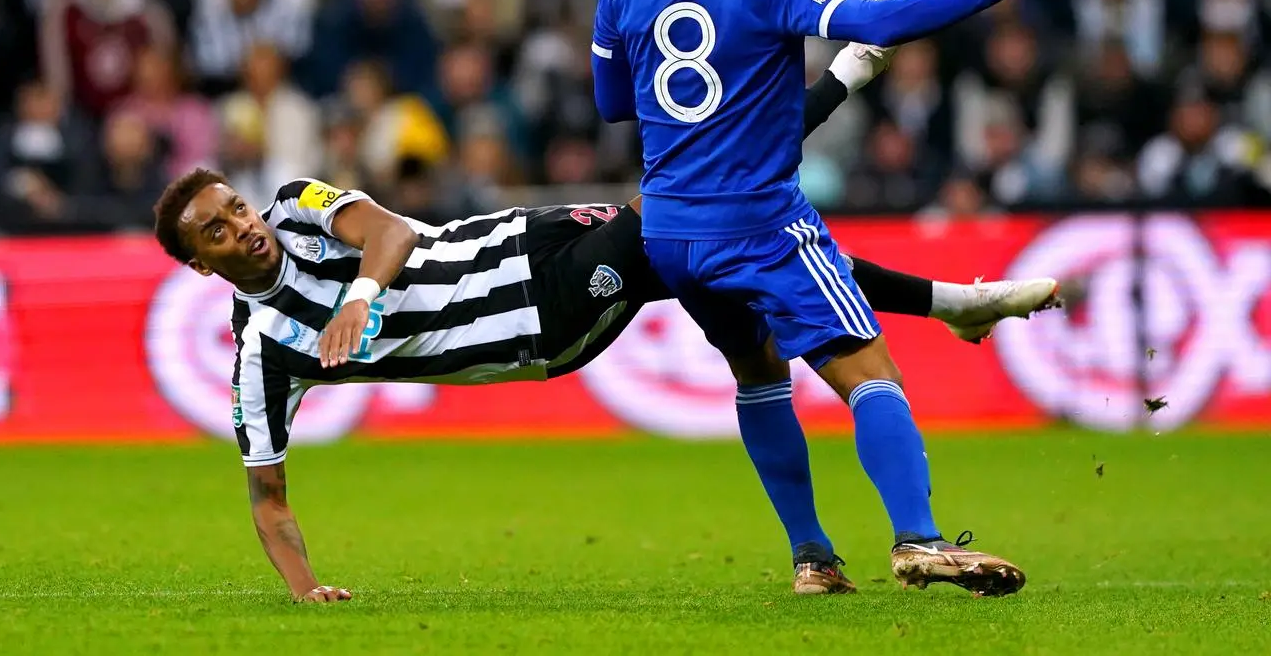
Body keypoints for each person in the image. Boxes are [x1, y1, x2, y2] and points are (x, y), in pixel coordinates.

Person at [152, 41, 1057, 603]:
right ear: (201, 264)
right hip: (542, 318)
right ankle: (877, 128)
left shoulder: (296, 202)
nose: (245, 225)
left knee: (749, 326)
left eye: (235, 206)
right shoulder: (265, 358)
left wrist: (361, 298)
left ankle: (815, 556)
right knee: (709, 200)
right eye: (219, 230)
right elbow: (267, 497)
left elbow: (383, 230)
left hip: (533, 237)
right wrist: (307, 592)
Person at [589, 0, 1050, 597]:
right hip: (761, 224)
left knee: (759, 372)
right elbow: (877, 21)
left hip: (667, 230)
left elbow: (609, 104)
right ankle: (919, 540)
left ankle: (812, 559)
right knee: (874, 375)